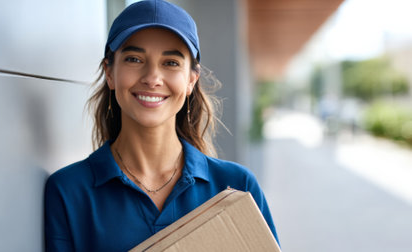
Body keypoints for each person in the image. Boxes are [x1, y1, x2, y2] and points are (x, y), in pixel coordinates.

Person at [44, 0, 279, 251]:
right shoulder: (69, 191)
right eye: (134, 59)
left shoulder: (237, 186)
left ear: (191, 80)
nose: (152, 78)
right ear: (110, 73)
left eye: (171, 63)